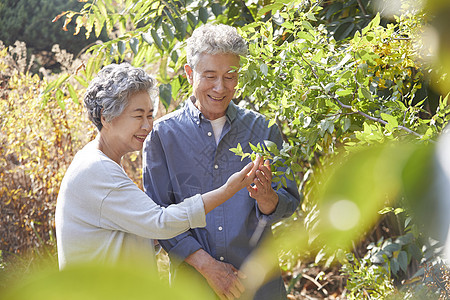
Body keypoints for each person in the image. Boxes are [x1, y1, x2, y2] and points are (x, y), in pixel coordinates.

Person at [143, 24, 302, 300]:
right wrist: (209, 268)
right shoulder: (162, 136)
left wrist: (267, 198)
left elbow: (289, 203)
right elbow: (158, 218)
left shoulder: (264, 130)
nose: (220, 87)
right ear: (190, 73)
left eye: (230, 76)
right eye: (210, 76)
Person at [55, 63, 261, 270]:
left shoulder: (99, 161)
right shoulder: (96, 170)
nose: (147, 125)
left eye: (150, 115)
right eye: (138, 116)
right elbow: (160, 223)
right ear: (106, 118)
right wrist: (229, 190)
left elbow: (133, 228)